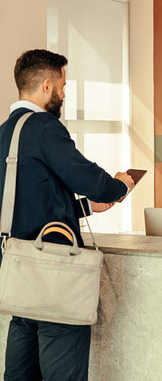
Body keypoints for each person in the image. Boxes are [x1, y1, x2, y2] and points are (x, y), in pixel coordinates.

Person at [0, 49, 136, 381]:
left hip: (19, 276)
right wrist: (120, 186)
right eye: (62, 84)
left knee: (19, 374)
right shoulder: (45, 127)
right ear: (47, 85)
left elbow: (25, 202)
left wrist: (87, 207)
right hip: (55, 275)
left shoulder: (5, 133)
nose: (64, 92)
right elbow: (93, 181)